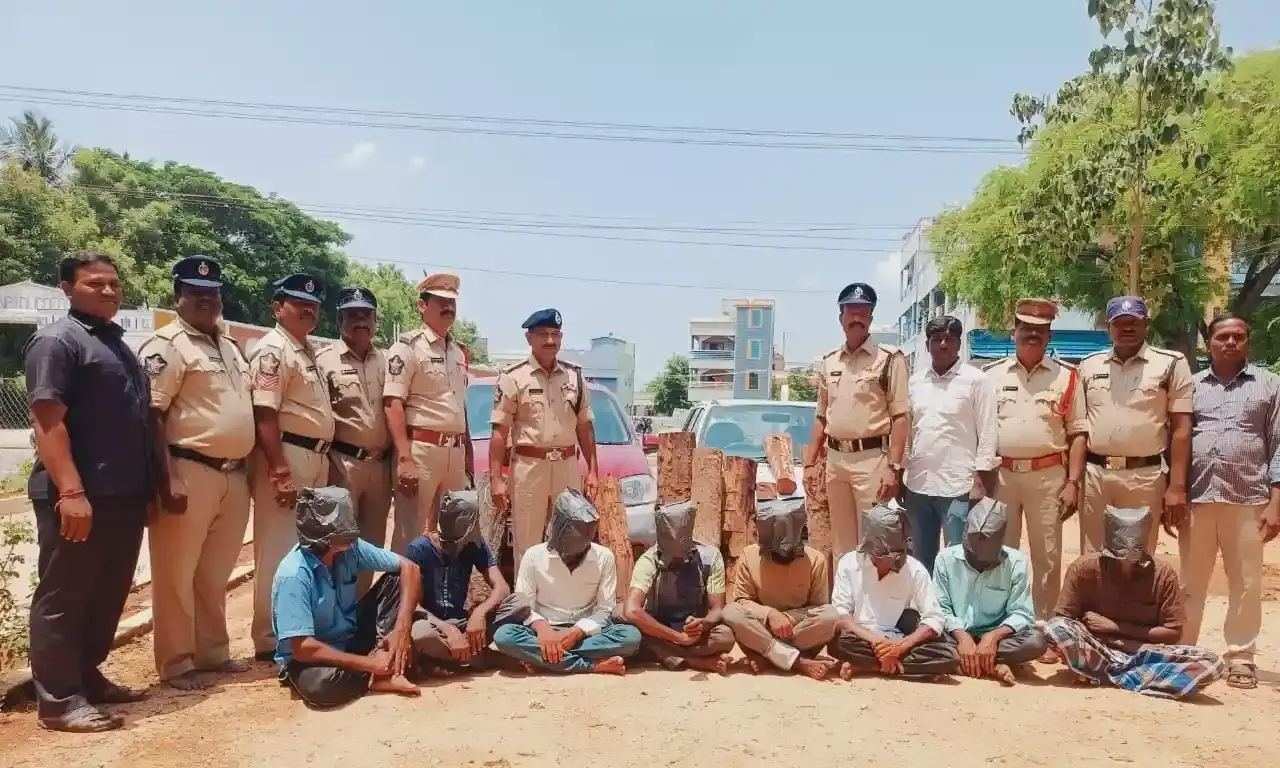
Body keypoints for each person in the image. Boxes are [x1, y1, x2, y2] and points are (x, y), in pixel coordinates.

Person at [24, 251, 154, 732]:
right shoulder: (57, 342)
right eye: (94, 283)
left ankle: (86, 675)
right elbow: (46, 419)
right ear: (66, 289)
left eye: (114, 283)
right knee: (65, 594)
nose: (108, 291)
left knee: (106, 591)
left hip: (123, 494)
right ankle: (58, 699)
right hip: (81, 496)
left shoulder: (115, 343)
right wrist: (71, 490)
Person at [138, 256, 255, 690]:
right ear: (178, 297)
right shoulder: (167, 345)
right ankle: (177, 662)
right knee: (175, 571)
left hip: (233, 474)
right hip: (189, 468)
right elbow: (153, 414)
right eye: (196, 291)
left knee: (214, 572)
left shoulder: (228, 345)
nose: (207, 299)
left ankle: (212, 652)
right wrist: (166, 476)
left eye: (213, 292)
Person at [981, 298, 1087, 649]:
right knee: (1000, 553)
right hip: (1002, 477)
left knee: (1047, 556)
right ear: (1014, 332)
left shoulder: (1068, 377)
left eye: (1040, 331)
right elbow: (980, 432)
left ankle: (1044, 629)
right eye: (1026, 329)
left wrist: (1073, 483)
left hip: (1048, 477)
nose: (1032, 335)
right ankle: (1001, 625)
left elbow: (1077, 434)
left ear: (1048, 334)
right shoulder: (991, 376)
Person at [1182, 314, 1280, 690]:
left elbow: (1278, 446)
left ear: (1248, 342)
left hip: (1249, 499)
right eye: (1223, 336)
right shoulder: (1190, 387)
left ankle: (1241, 656)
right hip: (1198, 499)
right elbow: (1177, 441)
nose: (1230, 342)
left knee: (1246, 582)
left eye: (1238, 336)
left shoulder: (1269, 386)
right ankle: (1186, 650)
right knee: (1191, 581)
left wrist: (1276, 503)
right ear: (1210, 342)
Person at [1045, 506, 1225, 699]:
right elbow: (1064, 619)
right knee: (1056, 627)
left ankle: (1103, 675)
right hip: (1098, 647)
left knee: (1212, 663)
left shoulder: (1163, 575)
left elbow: (1173, 633)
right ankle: (1141, 678)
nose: (1125, 564)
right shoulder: (1083, 568)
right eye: (1118, 558)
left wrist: (1115, 628)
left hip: (1144, 652)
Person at [248, 274, 336, 662]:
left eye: (314, 305)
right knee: (278, 550)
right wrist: (278, 470)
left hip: (314, 457)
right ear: (277, 307)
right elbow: (264, 412)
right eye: (298, 302)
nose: (308, 309)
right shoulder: (272, 349)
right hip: (289, 455)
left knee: (308, 552)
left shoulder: (306, 351)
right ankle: (270, 638)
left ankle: (297, 630)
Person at [272, 487, 423, 708]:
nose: (350, 539)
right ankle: (379, 671)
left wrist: (402, 628)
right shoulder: (293, 575)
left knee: (397, 579)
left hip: (349, 636)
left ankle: (383, 663)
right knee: (321, 688)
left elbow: (410, 568)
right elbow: (303, 647)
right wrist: (369, 664)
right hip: (311, 656)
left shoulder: (351, 547)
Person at [1078, 296, 1193, 555]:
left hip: (1144, 477)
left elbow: (1181, 429)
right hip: (1095, 476)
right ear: (1108, 326)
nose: (1126, 328)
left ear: (1147, 325)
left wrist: (1176, 487)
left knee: (1137, 557)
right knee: (1092, 557)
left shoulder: (1171, 364)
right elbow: (1077, 429)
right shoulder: (1088, 364)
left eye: (1133, 322)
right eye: (1119, 322)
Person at [805, 282, 909, 562]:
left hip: (872, 462)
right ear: (841, 318)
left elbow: (901, 417)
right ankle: (846, 605)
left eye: (863, 312)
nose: (856, 318)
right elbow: (820, 416)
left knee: (874, 542)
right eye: (850, 311)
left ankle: (871, 605)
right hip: (836, 462)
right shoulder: (829, 362)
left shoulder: (889, 360)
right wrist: (809, 463)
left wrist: (894, 468)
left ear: (871, 318)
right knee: (842, 545)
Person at [489, 309, 600, 572]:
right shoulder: (513, 377)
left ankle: (564, 603)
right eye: (543, 335)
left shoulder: (575, 377)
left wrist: (593, 470)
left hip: (566, 467)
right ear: (529, 338)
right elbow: (499, 431)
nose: (550, 341)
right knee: (527, 545)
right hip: (529, 468)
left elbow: (585, 426)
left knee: (569, 538)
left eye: (555, 335)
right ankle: (527, 606)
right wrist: (496, 478)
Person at [492, 490, 641, 675]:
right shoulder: (533, 556)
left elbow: (605, 611)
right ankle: (592, 666)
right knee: (505, 636)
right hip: (543, 631)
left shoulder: (604, 557)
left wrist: (576, 632)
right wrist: (544, 631)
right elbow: (525, 607)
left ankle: (541, 659)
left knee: (631, 637)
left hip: (584, 632)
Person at [902, 315, 999, 573]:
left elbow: (988, 433)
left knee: (958, 559)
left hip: (959, 487)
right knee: (922, 560)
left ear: (959, 344)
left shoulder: (977, 381)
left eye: (949, 339)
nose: (943, 345)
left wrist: (980, 479)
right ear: (927, 345)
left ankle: (955, 611)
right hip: (918, 487)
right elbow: (908, 433)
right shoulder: (914, 383)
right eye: (936, 340)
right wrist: (901, 472)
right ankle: (927, 611)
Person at [383, 273, 472, 552]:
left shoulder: (458, 352)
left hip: (454, 454)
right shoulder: (407, 347)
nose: (449, 307)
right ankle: (402, 595)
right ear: (422, 305)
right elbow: (392, 402)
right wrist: (404, 458)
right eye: (441, 301)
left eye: (452, 302)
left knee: (452, 531)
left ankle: (438, 593)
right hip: (421, 449)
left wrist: (467, 452)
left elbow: (460, 404)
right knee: (410, 534)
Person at [404, 491, 530, 673]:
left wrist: (479, 612)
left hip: (466, 624)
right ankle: (482, 658)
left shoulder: (475, 544)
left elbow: (502, 587)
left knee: (520, 603)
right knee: (421, 635)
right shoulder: (418, 549)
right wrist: (447, 628)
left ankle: (446, 660)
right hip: (434, 625)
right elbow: (413, 606)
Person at [317, 286, 392, 593]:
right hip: (342, 465)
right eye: (352, 315)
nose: (360, 321)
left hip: (381, 467)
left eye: (366, 315)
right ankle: (337, 612)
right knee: (339, 541)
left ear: (376, 321)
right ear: (340, 320)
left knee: (371, 544)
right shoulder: (324, 361)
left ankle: (360, 609)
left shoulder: (388, 362)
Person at [828, 504, 957, 680]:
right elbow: (842, 614)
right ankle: (905, 667)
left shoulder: (915, 569)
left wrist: (901, 646)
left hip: (898, 639)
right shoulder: (849, 563)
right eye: (887, 556)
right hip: (860, 638)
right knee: (838, 642)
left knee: (948, 654)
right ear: (871, 550)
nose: (894, 561)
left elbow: (934, 618)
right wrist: (875, 641)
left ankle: (868, 666)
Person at [932, 498, 1047, 685]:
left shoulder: (1016, 562)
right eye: (973, 555)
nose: (978, 562)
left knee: (1036, 642)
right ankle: (992, 664)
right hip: (954, 636)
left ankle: (963, 662)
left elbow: (1022, 613)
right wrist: (961, 636)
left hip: (1000, 639)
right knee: (921, 630)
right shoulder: (945, 559)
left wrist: (993, 637)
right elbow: (940, 608)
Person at [722, 500, 839, 680]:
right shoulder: (749, 555)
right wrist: (770, 614)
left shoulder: (816, 560)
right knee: (731, 612)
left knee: (830, 616)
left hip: (795, 632)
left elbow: (818, 608)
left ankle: (770, 657)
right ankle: (798, 662)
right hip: (762, 628)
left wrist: (788, 618)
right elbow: (742, 601)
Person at [623, 501, 735, 674]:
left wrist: (703, 624)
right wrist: (678, 638)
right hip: (659, 629)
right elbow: (631, 610)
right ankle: (693, 660)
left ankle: (665, 654)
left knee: (725, 637)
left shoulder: (710, 557)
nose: (677, 560)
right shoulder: (648, 560)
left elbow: (718, 608)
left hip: (694, 630)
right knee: (621, 617)